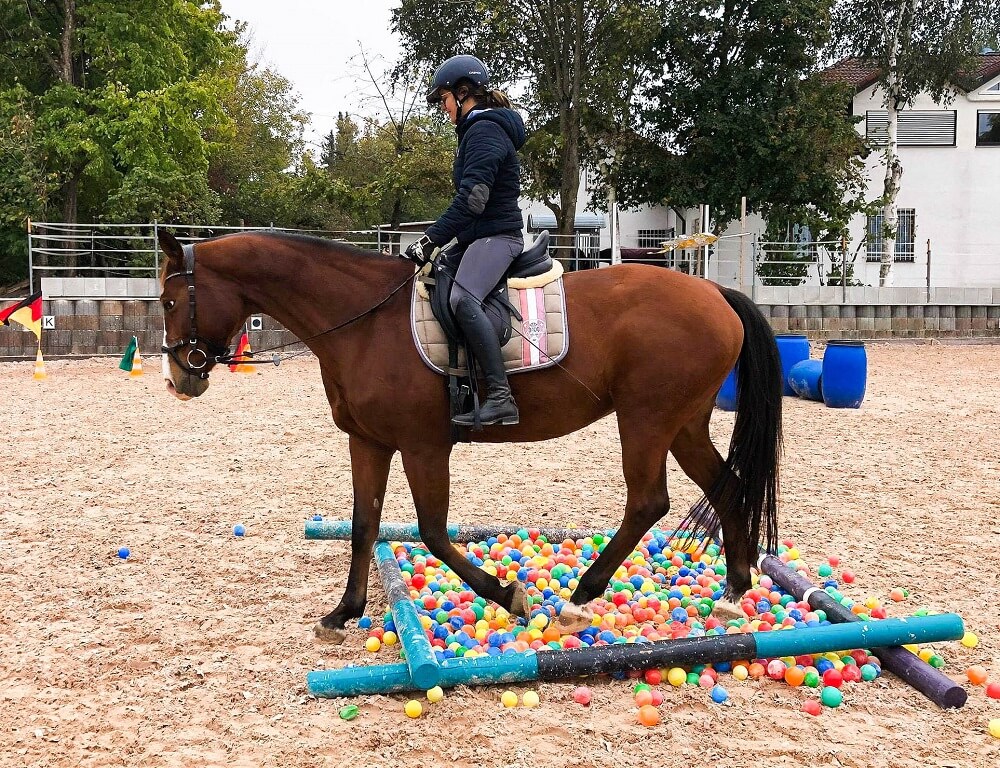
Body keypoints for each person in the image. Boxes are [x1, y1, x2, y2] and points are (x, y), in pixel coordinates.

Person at [405, 54, 525, 427]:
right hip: (478, 236)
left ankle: (502, 397)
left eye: (443, 100)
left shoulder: (485, 131)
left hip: (498, 237)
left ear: (462, 93)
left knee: (462, 297)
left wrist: (430, 240)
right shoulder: (475, 131)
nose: (443, 108)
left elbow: (474, 199)